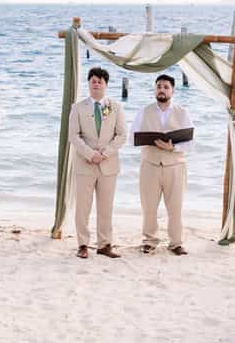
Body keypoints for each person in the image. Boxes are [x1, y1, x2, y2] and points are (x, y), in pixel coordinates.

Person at [69, 67, 127, 259]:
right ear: (89, 83)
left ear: (106, 85)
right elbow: (73, 135)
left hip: (108, 164)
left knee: (106, 207)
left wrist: (106, 153)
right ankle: (83, 244)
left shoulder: (116, 107)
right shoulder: (78, 107)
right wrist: (89, 153)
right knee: (83, 208)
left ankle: (104, 244)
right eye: (93, 81)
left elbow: (121, 135)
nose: (96, 84)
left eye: (100, 81)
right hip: (85, 163)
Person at [133, 74, 194, 255]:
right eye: (159, 86)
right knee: (149, 206)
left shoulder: (183, 112)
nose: (162, 89)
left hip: (175, 166)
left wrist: (172, 147)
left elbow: (190, 143)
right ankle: (149, 241)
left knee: (175, 207)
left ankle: (176, 243)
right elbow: (132, 136)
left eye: (166, 87)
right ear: (155, 90)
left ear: (173, 91)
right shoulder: (144, 111)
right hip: (150, 165)